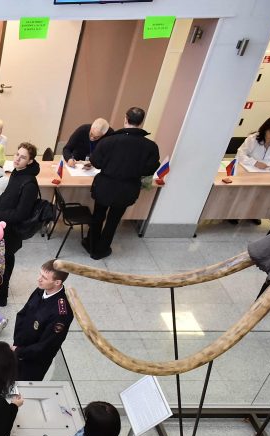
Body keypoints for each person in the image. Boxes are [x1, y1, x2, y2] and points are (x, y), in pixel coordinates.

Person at [86, 106, 160, 260]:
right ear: (141, 122)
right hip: (127, 189)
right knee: (113, 220)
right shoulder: (150, 146)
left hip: (105, 186)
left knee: (98, 215)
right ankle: (102, 250)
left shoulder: (108, 141)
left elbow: (96, 162)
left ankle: (91, 245)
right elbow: (150, 168)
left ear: (125, 119)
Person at [0, 143, 40, 307]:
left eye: (23, 157)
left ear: (30, 161)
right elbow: (6, 195)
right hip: (2, 226)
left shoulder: (29, 184)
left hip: (12, 231)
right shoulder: (17, 172)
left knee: (5, 263)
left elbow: (20, 214)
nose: (17, 158)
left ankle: (1, 297)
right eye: (17, 154)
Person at [12, 261, 74, 382]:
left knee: (24, 386)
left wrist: (19, 351)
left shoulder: (61, 314)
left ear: (57, 282)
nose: (38, 279)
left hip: (34, 362)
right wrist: (17, 344)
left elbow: (45, 346)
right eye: (40, 274)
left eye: (44, 278)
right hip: (20, 348)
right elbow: (23, 314)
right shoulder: (41, 289)